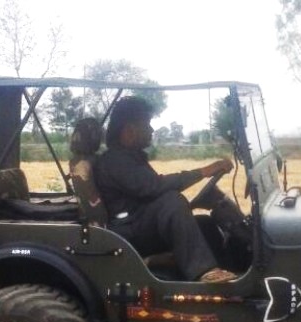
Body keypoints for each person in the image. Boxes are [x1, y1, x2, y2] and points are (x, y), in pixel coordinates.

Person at [94, 96, 251, 283]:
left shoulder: (128, 158)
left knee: (205, 225)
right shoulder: (115, 161)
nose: (152, 130)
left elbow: (148, 194)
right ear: (130, 131)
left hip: (138, 223)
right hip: (129, 231)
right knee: (171, 201)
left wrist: (195, 204)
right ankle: (205, 271)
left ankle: (231, 274)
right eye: (147, 124)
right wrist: (203, 172)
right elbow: (154, 187)